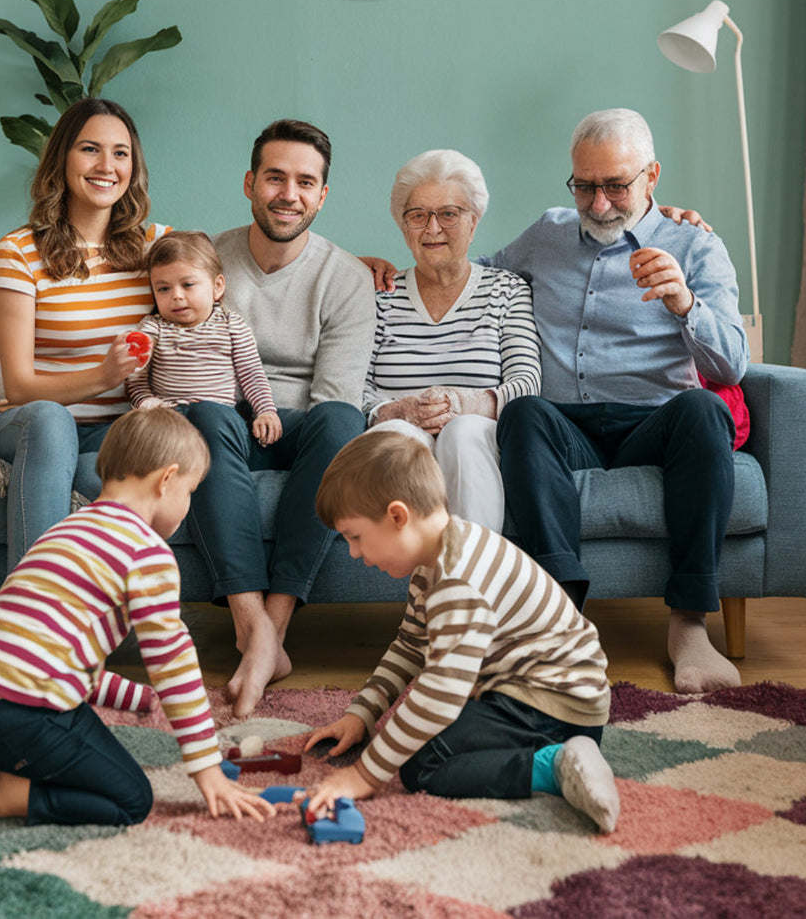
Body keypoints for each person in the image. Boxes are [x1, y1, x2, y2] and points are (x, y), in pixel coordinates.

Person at [0, 406, 273, 836]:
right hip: (19, 717)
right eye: (190, 491)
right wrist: (207, 769)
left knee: (70, 729)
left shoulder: (66, 530)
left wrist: (134, 698)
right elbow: (173, 664)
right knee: (130, 798)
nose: (187, 505)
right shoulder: (146, 551)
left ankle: (3, 763)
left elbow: (51, 654)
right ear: (167, 479)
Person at [492, 108, 748, 693]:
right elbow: (473, 278)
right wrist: (381, 273)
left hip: (655, 423)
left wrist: (685, 303)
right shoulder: (546, 233)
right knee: (523, 411)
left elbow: (732, 363)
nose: (599, 202)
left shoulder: (696, 246)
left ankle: (688, 626)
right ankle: (562, 621)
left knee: (704, 410)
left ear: (652, 176)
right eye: (585, 185)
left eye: (616, 185)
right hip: (566, 426)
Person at [303, 431, 619, 833]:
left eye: (355, 537)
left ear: (397, 516)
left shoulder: (457, 580)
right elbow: (410, 646)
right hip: (539, 694)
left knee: (423, 765)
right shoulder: (435, 560)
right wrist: (362, 714)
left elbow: (439, 696)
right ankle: (556, 751)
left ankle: (554, 765)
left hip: (554, 706)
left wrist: (364, 776)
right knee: (415, 739)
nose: (354, 553)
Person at [185, 119, 376, 718]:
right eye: (275, 177)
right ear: (250, 183)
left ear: (322, 195)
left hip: (299, 427)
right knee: (209, 414)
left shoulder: (346, 277)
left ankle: (274, 627)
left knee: (342, 422)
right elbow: (184, 355)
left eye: (304, 182)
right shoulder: (207, 261)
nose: (287, 194)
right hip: (224, 420)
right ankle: (253, 632)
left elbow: (335, 393)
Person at [0, 97, 170, 568]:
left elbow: (234, 267)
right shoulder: (20, 251)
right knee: (51, 420)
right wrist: (104, 375)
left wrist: (350, 263)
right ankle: (31, 617)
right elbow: (21, 386)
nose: (107, 166)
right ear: (62, 159)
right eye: (90, 149)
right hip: (29, 423)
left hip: (116, 431)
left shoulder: (155, 246)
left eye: (121, 153)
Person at [363, 148, 541, 531]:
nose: (432, 229)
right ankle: (427, 578)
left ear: (474, 222)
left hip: (478, 437)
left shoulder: (506, 290)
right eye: (417, 216)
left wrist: (466, 403)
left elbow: (527, 384)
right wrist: (397, 411)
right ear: (402, 225)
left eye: (448, 214)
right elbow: (352, 386)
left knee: (461, 432)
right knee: (399, 436)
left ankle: (470, 581)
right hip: (400, 434)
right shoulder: (381, 296)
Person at [125, 231, 282, 447]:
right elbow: (134, 379)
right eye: (163, 289)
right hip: (169, 422)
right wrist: (147, 402)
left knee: (213, 420)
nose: (176, 296)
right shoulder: (153, 329)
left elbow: (252, 374)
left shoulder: (232, 325)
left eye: (188, 285)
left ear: (217, 287)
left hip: (219, 419)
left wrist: (265, 411)